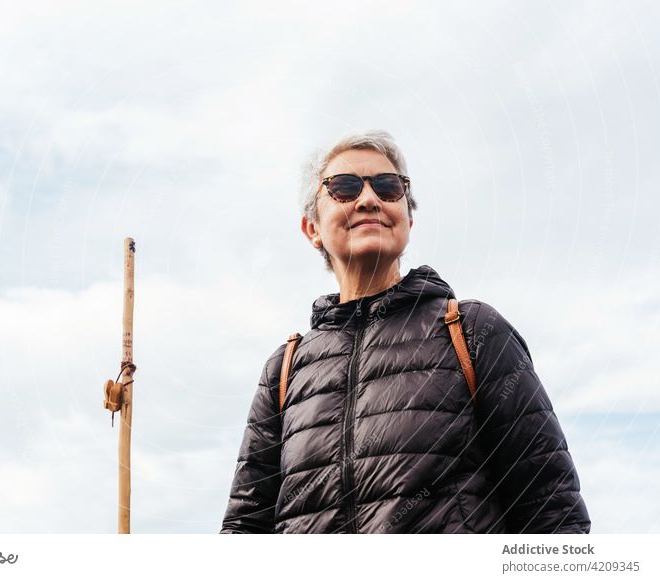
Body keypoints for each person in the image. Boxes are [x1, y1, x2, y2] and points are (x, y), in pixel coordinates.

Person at [220, 130, 591, 534]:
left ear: (408, 219)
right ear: (311, 228)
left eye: (388, 186)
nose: (368, 200)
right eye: (343, 188)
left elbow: (553, 512)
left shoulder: (472, 332)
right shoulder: (285, 369)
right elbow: (244, 532)